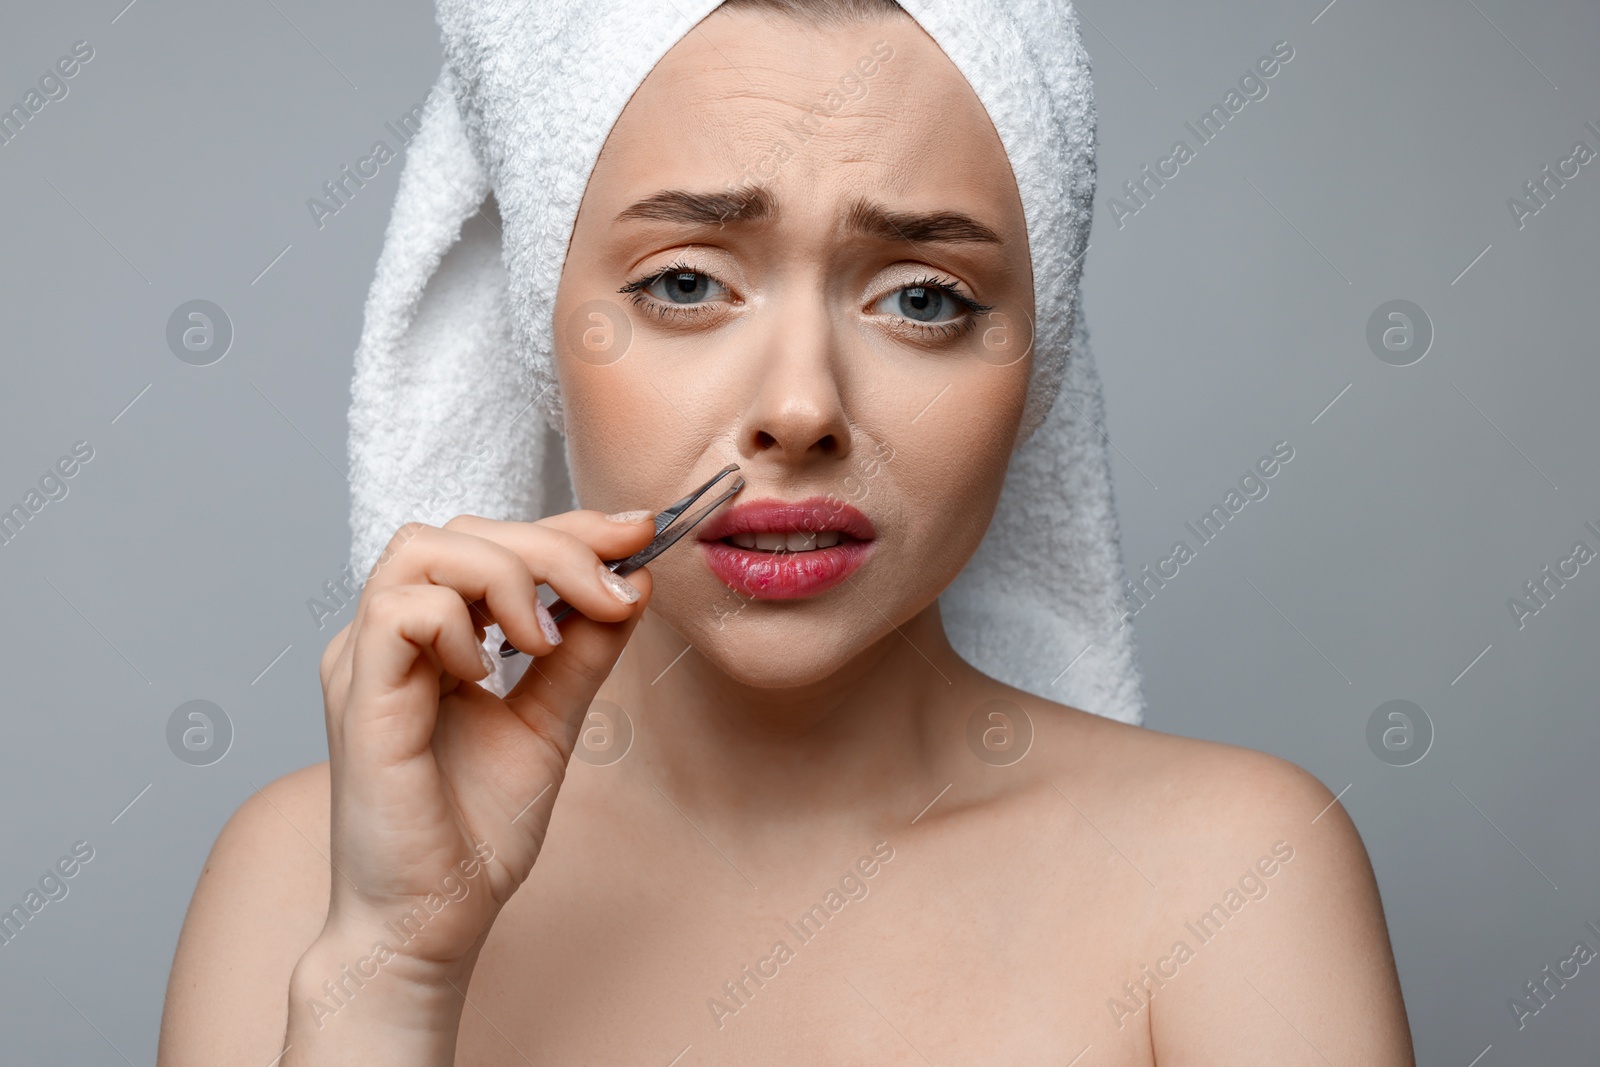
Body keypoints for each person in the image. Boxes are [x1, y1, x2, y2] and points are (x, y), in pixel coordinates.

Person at [157, 1, 1415, 1063]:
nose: (801, 407)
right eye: (686, 283)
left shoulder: (1233, 879)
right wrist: (389, 976)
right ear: (544, 328)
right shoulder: (301, 883)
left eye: (922, 297)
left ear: (1036, 364)